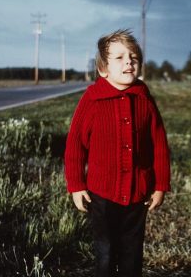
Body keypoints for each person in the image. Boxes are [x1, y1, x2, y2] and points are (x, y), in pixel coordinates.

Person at [64, 29, 171, 277]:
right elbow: (75, 144)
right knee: (105, 251)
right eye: (120, 58)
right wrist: (76, 185)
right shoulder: (92, 100)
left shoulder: (144, 99)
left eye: (133, 57)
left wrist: (160, 185)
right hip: (101, 194)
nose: (129, 62)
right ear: (103, 69)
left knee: (132, 252)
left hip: (137, 193)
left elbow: (159, 144)